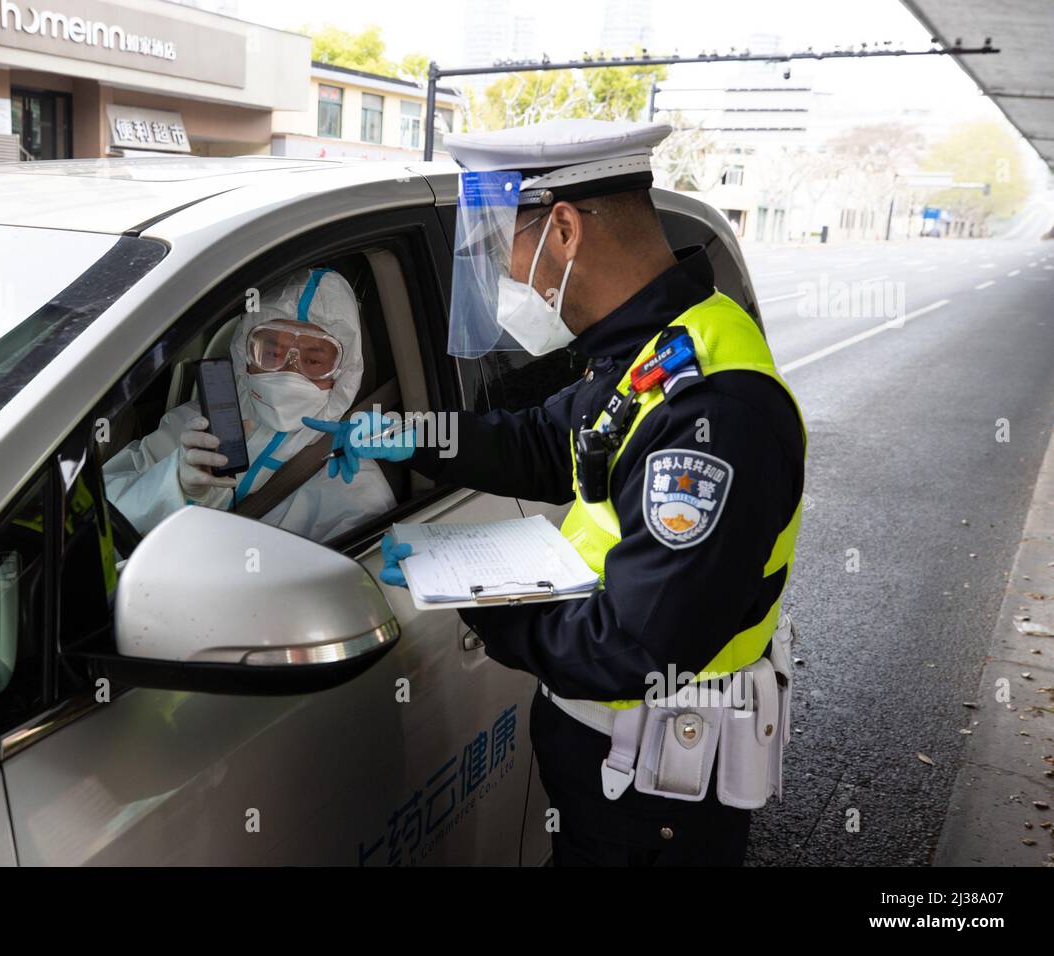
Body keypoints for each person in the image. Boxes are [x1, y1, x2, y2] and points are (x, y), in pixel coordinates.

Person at [306, 119, 806, 866]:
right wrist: (413, 433)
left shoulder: (712, 414)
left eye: (503, 245)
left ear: (564, 230)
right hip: (617, 767)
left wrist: (473, 598)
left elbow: (631, 647)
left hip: (656, 796)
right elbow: (550, 443)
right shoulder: (655, 342)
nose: (503, 276)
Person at [104, 267, 396, 543]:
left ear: (343, 374)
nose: (289, 374)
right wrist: (172, 482)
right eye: (272, 353)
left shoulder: (353, 483)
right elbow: (100, 511)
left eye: (313, 360)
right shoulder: (192, 426)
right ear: (244, 355)